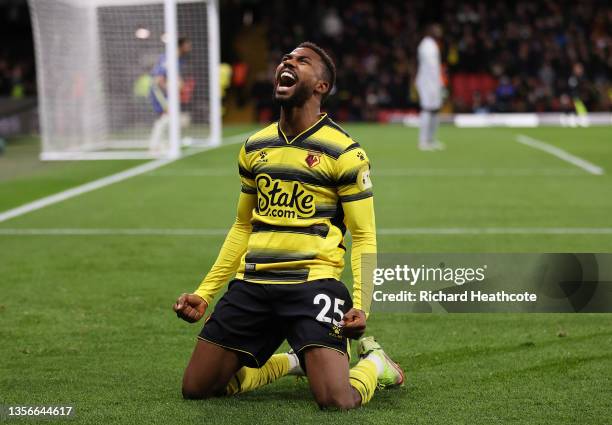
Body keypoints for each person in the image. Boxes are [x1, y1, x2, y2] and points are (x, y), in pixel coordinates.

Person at [173, 41, 404, 410]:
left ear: (321, 86)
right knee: (197, 388)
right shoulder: (254, 146)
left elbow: (362, 235)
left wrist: (361, 304)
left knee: (336, 399)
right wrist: (205, 292)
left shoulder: (345, 152)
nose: (288, 61)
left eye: (302, 61)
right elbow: (242, 225)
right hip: (254, 285)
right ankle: (295, 361)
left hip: (313, 286)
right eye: (286, 58)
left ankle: (374, 364)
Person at [148, 36, 192, 154]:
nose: (190, 47)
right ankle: (154, 146)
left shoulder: (178, 60)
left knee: (168, 118)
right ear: (181, 46)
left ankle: (161, 144)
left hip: (166, 92)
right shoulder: (169, 58)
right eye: (187, 44)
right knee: (166, 116)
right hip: (159, 90)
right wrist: (170, 89)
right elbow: (159, 79)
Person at [415, 24, 444, 151]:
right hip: (427, 83)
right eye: (436, 30)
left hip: (434, 83)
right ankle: (423, 141)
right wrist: (436, 84)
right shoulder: (426, 45)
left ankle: (431, 139)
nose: (439, 32)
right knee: (427, 109)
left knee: (435, 110)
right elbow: (430, 68)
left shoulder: (432, 44)